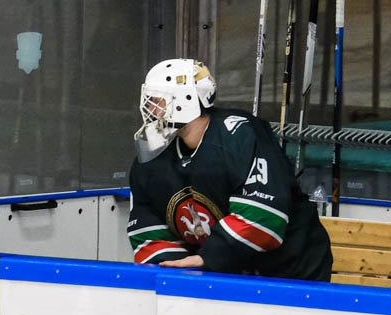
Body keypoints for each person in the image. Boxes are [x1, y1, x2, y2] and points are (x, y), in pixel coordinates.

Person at [126, 58, 332, 281]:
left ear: (185, 100)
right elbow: (148, 226)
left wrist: (206, 258)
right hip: (221, 272)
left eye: (158, 101)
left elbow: (263, 216)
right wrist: (177, 270)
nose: (150, 109)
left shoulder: (241, 135)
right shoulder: (154, 156)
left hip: (292, 269)